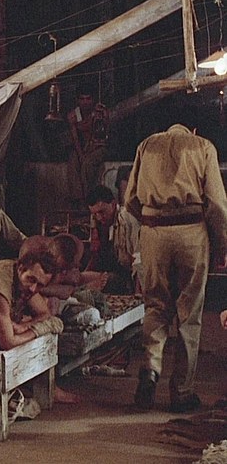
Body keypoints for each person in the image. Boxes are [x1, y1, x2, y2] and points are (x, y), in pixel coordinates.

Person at [124, 121, 227, 412]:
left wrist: (152, 218)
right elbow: (217, 204)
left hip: (153, 232)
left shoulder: (146, 144)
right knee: (188, 313)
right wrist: (223, 243)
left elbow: (130, 199)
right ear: (192, 130)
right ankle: (181, 392)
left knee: (155, 306)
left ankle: (150, 370)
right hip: (190, 232)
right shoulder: (203, 146)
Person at [85, 184, 141, 294]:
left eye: (102, 212)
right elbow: (95, 255)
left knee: (105, 280)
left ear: (113, 204)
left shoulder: (128, 219)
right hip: (111, 268)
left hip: (127, 276)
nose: (99, 217)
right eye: (95, 214)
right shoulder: (98, 220)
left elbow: (139, 258)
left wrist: (137, 295)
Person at [66, 82, 108, 203]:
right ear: (77, 100)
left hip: (99, 147)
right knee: (73, 161)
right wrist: (81, 155)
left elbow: (104, 135)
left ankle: (90, 199)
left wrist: (104, 117)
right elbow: (75, 138)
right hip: (82, 147)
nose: (85, 102)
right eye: (82, 99)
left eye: (88, 99)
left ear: (93, 99)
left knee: (87, 164)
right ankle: (78, 199)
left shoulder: (100, 112)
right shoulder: (73, 116)